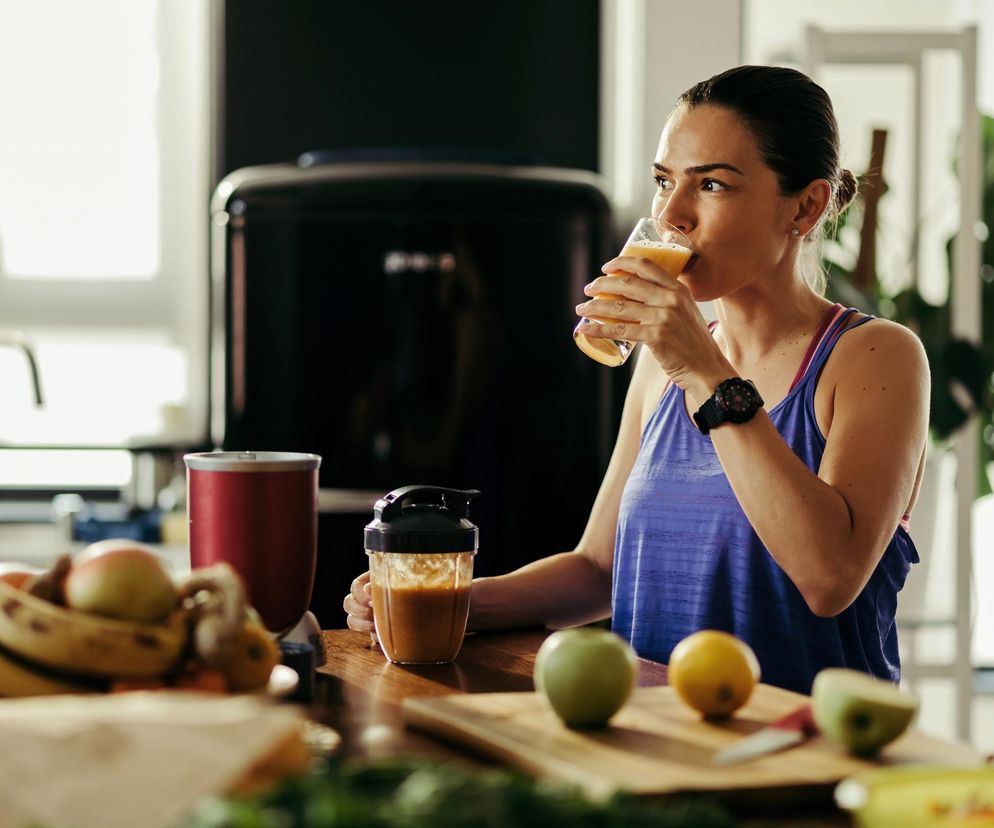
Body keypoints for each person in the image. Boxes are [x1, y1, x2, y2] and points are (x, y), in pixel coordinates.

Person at [344, 65, 929, 695]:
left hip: (804, 755)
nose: (673, 213)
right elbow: (599, 569)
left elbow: (829, 577)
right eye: (662, 181)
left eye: (711, 184)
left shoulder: (874, 357)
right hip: (656, 744)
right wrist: (441, 600)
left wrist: (703, 373)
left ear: (806, 205)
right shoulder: (662, 363)